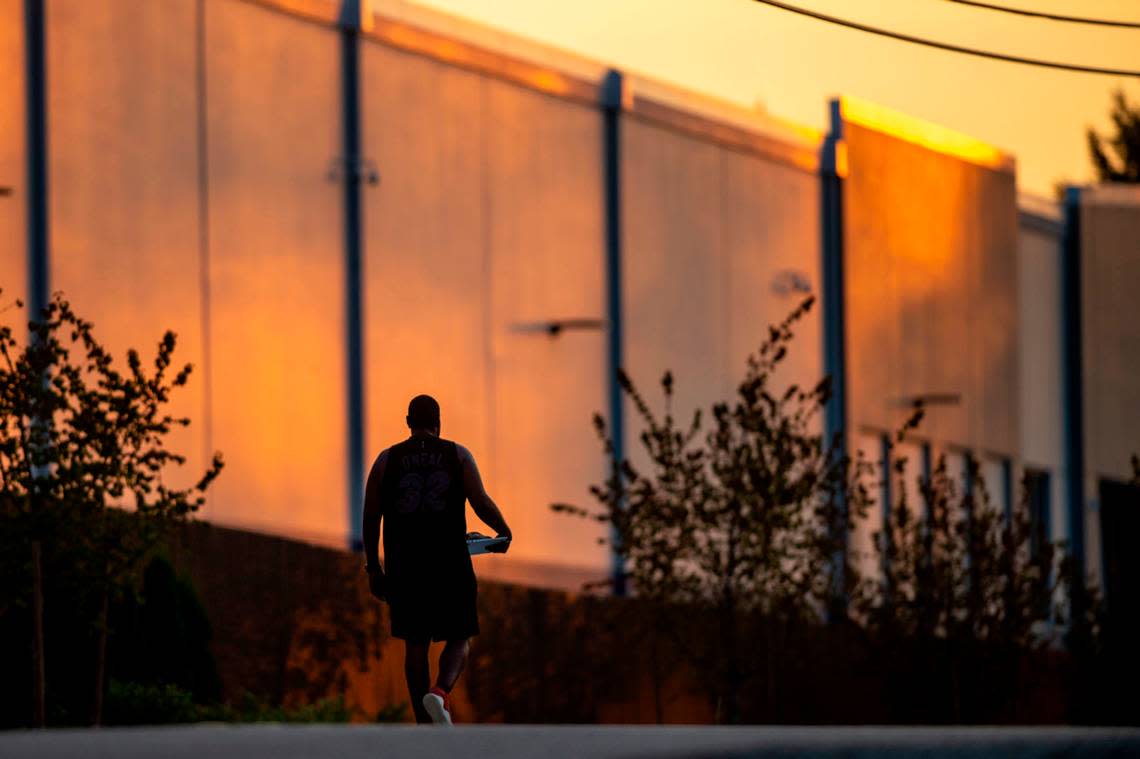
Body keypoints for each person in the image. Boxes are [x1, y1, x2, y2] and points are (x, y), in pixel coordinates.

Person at [362, 394, 512, 725]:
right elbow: (480, 501)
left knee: (415, 645)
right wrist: (503, 530)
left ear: (408, 422)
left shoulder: (386, 461)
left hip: (405, 566)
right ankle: (440, 694)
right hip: (450, 564)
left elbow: (371, 516)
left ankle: (423, 721)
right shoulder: (457, 455)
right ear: (438, 422)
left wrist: (373, 567)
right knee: (460, 636)